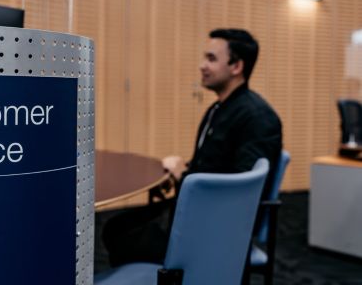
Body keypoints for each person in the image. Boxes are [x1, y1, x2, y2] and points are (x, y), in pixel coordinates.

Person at [102, 28, 282, 267]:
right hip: (199, 210)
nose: (202, 66)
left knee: (120, 234)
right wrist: (183, 170)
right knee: (117, 227)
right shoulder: (221, 108)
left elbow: (241, 189)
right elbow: (216, 163)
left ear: (236, 66)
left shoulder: (257, 117)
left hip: (214, 226)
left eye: (211, 59)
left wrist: (182, 175)